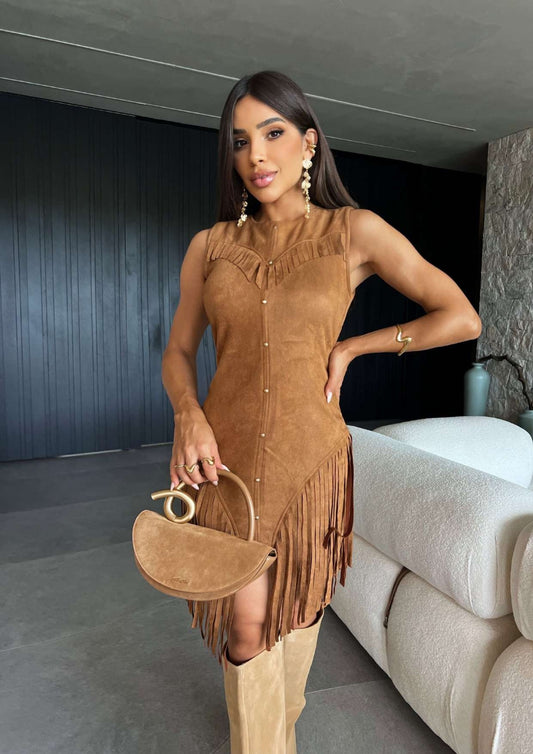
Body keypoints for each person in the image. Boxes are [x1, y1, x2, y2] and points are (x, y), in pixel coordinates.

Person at [161, 70, 482, 753]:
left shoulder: (352, 231)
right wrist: (187, 413)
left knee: (296, 611)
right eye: (239, 141)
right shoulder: (208, 247)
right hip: (225, 466)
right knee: (246, 626)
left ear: (308, 144)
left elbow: (459, 316)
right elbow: (179, 351)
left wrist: (357, 346)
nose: (256, 155)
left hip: (310, 463)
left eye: (272, 133)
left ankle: (279, 730)